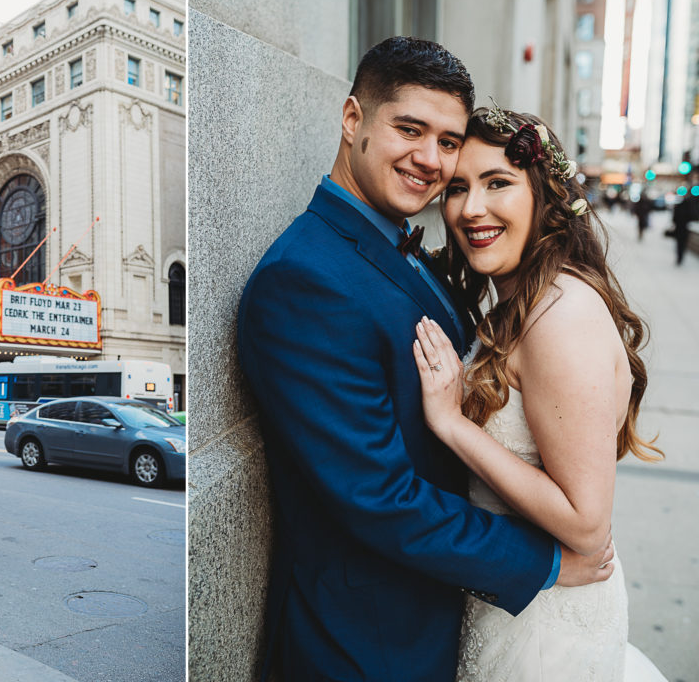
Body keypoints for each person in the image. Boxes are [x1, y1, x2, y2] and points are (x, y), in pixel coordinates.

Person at [236, 37, 614, 682]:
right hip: (367, 642)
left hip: (443, 615)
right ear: (353, 118)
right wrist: (542, 563)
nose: (430, 160)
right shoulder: (305, 278)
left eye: (447, 141)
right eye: (409, 129)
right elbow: (376, 493)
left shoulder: (417, 255)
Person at [413, 105, 666, 680]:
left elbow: (585, 524)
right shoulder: (521, 301)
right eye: (456, 188)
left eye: (497, 183)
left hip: (550, 634)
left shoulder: (560, 314)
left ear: (543, 196)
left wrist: (452, 425)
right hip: (515, 604)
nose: (471, 208)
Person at [672, 192, 697, 265]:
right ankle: (681, 257)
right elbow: (694, 216)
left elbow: (674, 218)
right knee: (683, 243)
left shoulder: (678, 206)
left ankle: (679, 257)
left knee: (679, 243)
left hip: (679, 228)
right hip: (685, 228)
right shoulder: (689, 209)